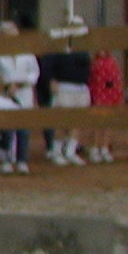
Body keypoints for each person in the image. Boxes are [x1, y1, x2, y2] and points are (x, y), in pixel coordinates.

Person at [0, 18, 38, 174]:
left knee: (23, 128)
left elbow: (34, 73)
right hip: (7, 94)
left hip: (24, 92)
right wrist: (7, 86)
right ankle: (7, 160)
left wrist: (21, 84)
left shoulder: (27, 53)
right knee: (7, 129)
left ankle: (22, 160)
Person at [44, 37, 91, 165]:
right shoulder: (58, 47)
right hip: (64, 86)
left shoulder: (83, 49)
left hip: (81, 87)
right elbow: (47, 66)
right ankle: (57, 152)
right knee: (61, 121)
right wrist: (51, 80)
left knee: (77, 121)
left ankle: (70, 151)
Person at [87, 50, 124, 162]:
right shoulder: (94, 63)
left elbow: (116, 80)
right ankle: (94, 148)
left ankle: (104, 148)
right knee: (98, 123)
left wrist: (117, 96)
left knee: (108, 123)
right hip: (98, 94)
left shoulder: (112, 62)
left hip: (110, 95)